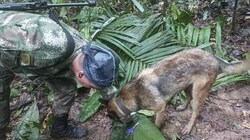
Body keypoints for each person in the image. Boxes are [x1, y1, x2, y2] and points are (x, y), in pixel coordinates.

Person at [0, 10, 120, 139]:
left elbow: (102, 83)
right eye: (91, 86)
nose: (92, 88)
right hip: (4, 54)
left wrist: (120, 105)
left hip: (47, 65)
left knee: (66, 90)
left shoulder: (90, 55)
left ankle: (59, 129)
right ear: (80, 75)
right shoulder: (48, 44)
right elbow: (5, 33)